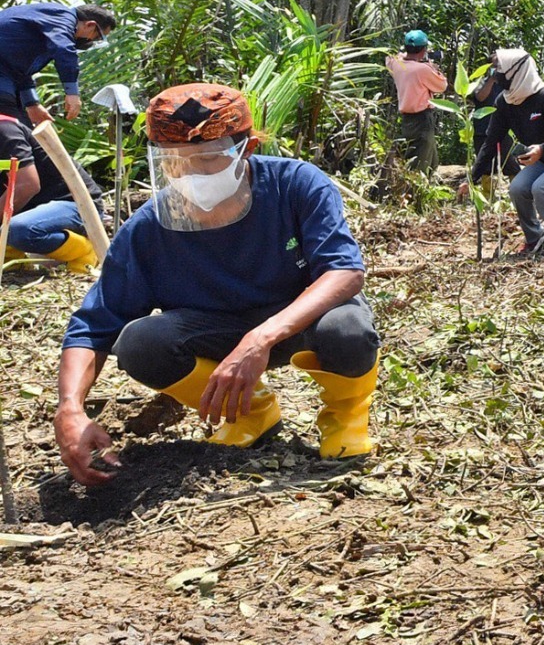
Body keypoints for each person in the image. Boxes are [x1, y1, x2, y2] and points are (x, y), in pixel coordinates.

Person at [52, 83, 379, 485]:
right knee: (140, 343)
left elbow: (344, 271)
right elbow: (93, 325)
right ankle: (250, 413)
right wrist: (69, 407)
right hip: (216, 333)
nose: (191, 173)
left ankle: (344, 417)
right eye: (175, 162)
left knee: (346, 329)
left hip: (300, 321)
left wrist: (260, 339)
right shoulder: (149, 229)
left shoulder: (296, 185)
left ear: (248, 149)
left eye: (208, 159)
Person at [459, 49, 544, 257]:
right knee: (517, 188)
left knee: (542, 188)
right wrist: (473, 177)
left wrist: (542, 149)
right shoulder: (505, 102)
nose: (496, 75)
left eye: (499, 69)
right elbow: (491, 141)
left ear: (517, 71)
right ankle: (535, 238)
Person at [0, 110, 100, 272]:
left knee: (17, 231)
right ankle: (12, 257)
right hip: (33, 211)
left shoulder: (4, 129)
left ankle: (84, 250)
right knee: (14, 228)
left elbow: (27, 186)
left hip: (76, 204)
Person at [0, 1, 117, 122]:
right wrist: (72, 94)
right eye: (97, 37)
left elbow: (20, 71)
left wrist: (32, 104)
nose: (91, 41)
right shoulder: (62, 18)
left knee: (22, 127)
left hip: (6, 73)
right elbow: (63, 50)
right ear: (90, 25)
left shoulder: (50, 20)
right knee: (9, 124)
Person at [386, 29, 447, 173]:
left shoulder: (394, 63)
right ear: (423, 50)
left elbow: (392, 57)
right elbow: (442, 86)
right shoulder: (422, 70)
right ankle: (414, 192)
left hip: (407, 119)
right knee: (421, 160)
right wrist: (431, 66)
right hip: (422, 118)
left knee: (427, 156)